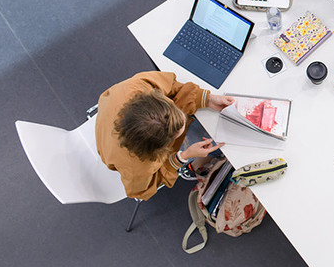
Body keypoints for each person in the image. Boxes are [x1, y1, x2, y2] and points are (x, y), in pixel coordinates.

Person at [95, 71, 234, 200]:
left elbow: (172, 86)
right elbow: (142, 190)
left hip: (107, 120)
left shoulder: (138, 85)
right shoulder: (138, 167)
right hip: (111, 147)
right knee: (216, 138)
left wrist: (208, 99)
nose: (185, 121)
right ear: (160, 149)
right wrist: (182, 157)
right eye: (176, 135)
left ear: (156, 97)